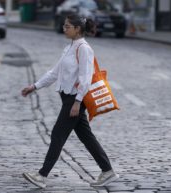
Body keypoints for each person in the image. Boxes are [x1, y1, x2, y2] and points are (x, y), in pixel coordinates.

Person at [21, 14, 119, 188]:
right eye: (64, 26)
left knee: (58, 135)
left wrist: (77, 102)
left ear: (77, 29)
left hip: (74, 99)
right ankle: (107, 171)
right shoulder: (70, 47)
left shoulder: (84, 48)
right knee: (86, 137)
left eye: (67, 26)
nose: (64, 28)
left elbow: (86, 78)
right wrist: (34, 86)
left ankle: (42, 176)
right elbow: (54, 73)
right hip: (69, 97)